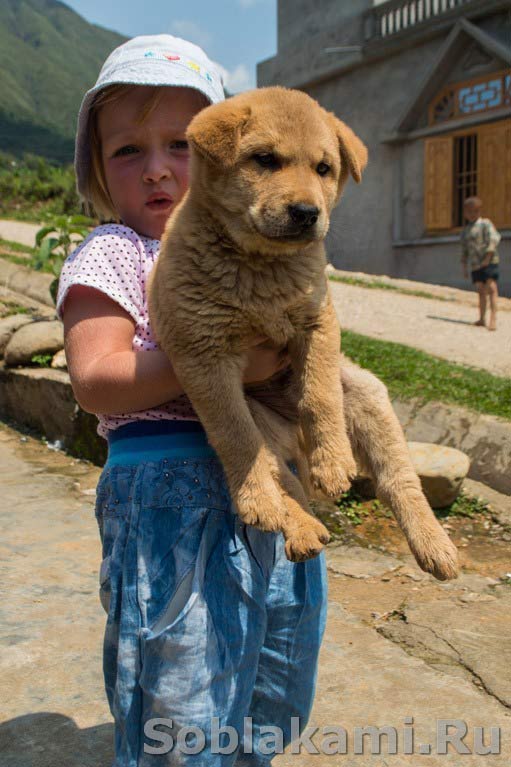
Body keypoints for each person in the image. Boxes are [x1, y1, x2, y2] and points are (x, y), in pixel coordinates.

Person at [57, 35, 327, 766]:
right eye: (125, 152)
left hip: (274, 496)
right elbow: (96, 376)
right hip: (168, 506)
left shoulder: (247, 245)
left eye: (182, 144)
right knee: (181, 700)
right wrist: (210, 362)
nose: (156, 169)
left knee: (272, 680)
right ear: (97, 170)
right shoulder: (113, 253)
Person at [461, 196, 501, 331]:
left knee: (492, 288)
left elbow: (494, 239)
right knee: (480, 290)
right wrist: (465, 266)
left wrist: (487, 258)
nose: (472, 215)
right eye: (469, 212)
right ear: (465, 213)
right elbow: (465, 249)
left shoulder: (485, 224)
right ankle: (482, 318)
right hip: (475, 264)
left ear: (479, 211)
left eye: (475, 212)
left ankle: (493, 319)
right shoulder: (466, 230)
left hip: (489, 262)